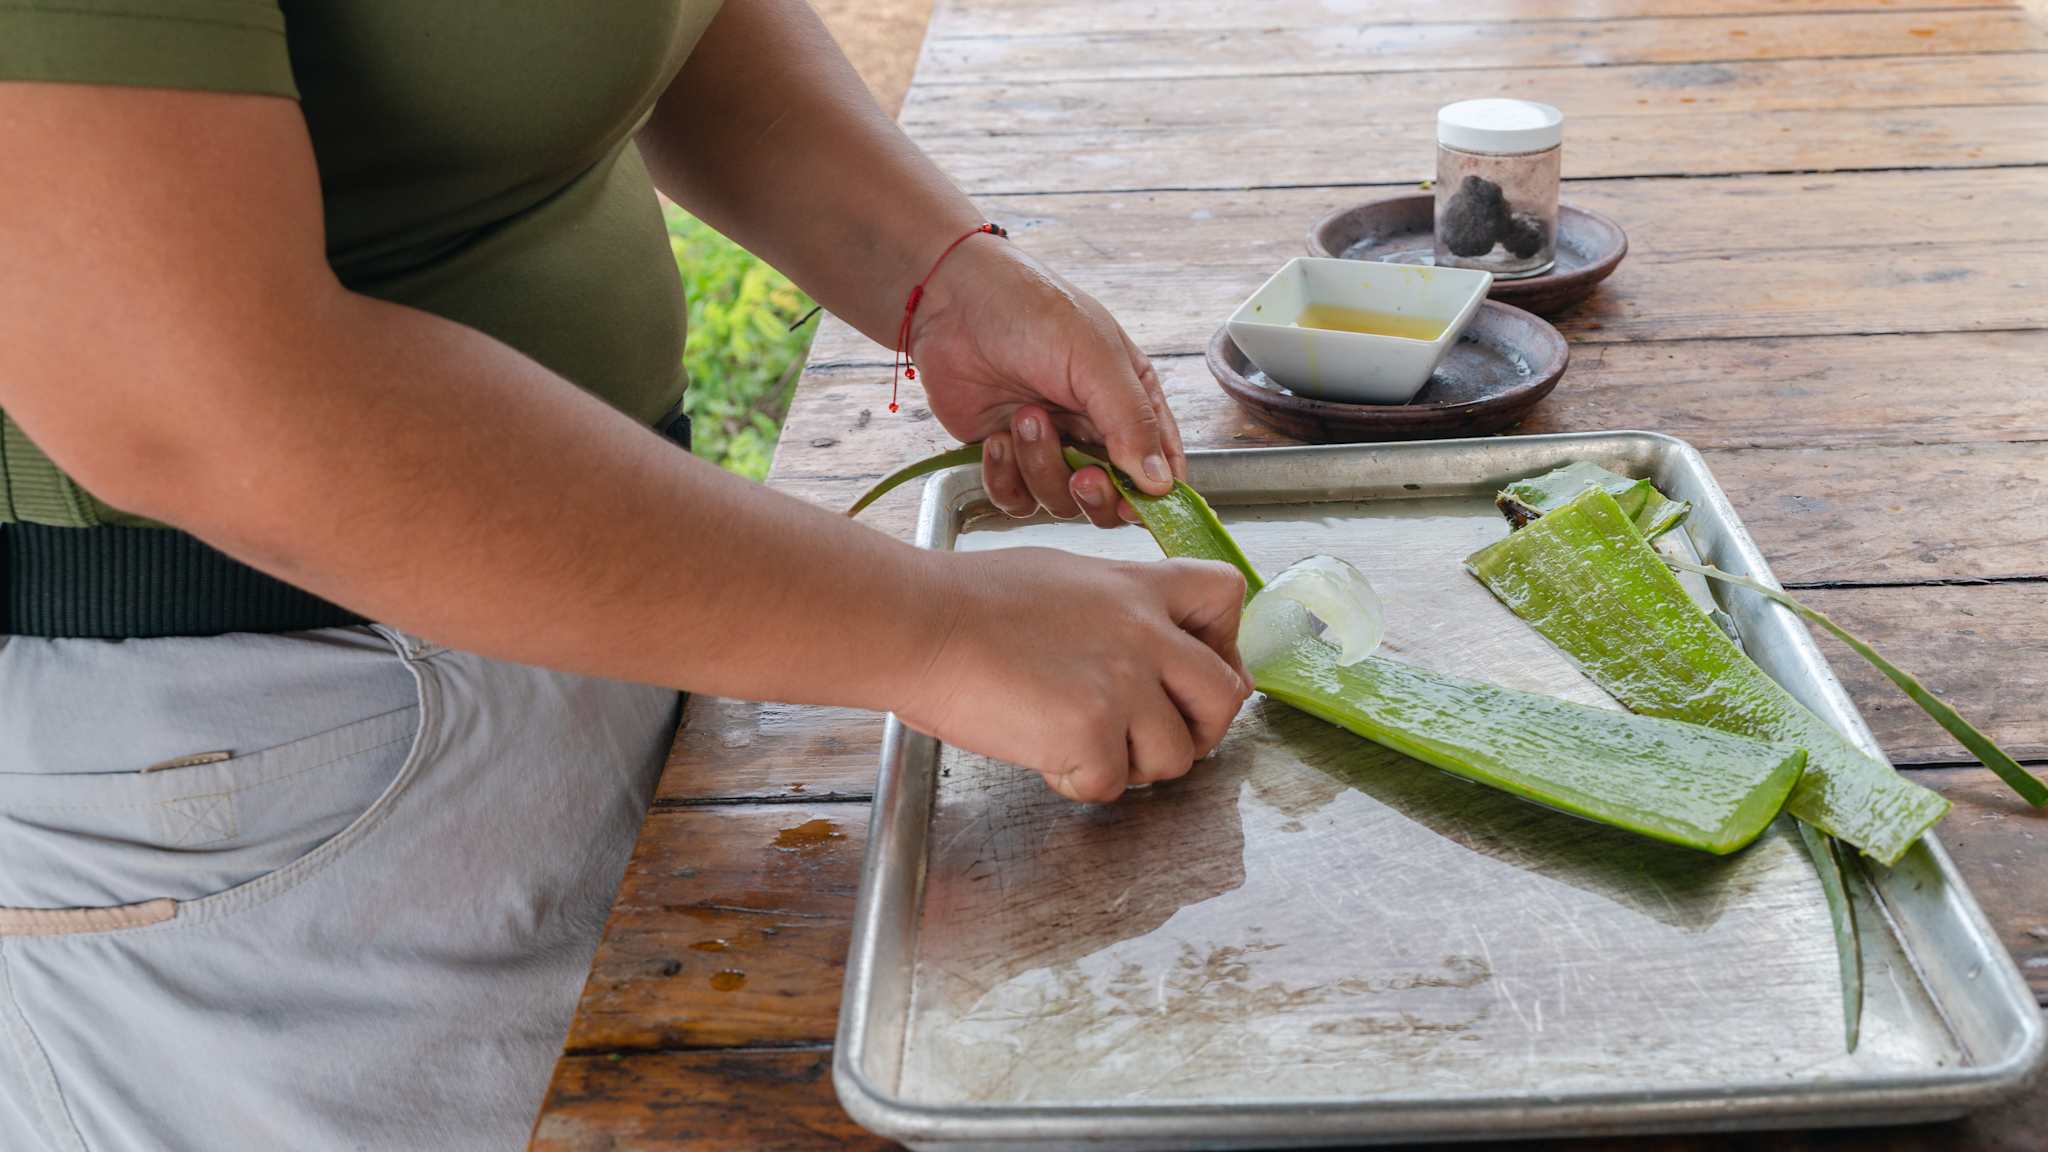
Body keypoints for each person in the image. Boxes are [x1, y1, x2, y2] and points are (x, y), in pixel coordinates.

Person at [0, 2, 1252, 1149]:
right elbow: (188, 401)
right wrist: (935, 630)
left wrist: (935, 274)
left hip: (623, 607)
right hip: (264, 769)